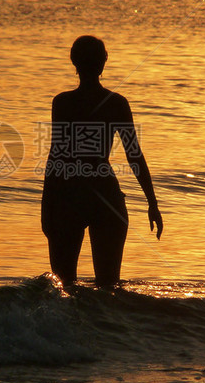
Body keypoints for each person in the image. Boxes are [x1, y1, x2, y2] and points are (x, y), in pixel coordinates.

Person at [41, 35, 163, 288]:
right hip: (105, 195)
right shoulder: (116, 103)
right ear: (103, 63)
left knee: (64, 288)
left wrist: (47, 206)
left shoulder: (62, 102)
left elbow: (58, 157)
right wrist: (152, 202)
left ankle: (64, 328)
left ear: (74, 62)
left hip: (67, 196)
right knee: (108, 288)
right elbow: (134, 155)